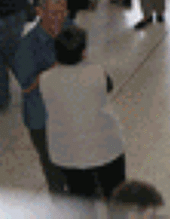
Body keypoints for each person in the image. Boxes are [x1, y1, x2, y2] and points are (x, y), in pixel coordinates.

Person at [40, 25, 125, 199]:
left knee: (81, 199)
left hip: (68, 154)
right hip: (106, 148)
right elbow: (108, 85)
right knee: (116, 197)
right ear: (84, 52)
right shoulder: (96, 73)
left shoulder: (45, 79)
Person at [14, 0, 74, 193]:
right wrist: (53, 69)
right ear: (39, 12)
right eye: (53, 13)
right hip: (42, 120)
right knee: (54, 171)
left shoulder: (69, 28)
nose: (59, 19)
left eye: (63, 12)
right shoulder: (26, 45)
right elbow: (27, 85)